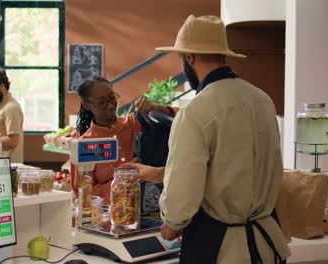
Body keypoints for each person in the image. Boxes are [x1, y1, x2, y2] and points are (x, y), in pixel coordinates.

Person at [121, 15, 290, 264]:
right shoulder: (262, 100)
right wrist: (159, 173)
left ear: (189, 57)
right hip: (267, 245)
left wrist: (172, 221)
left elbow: (185, 186)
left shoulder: (196, 111)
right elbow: (235, 167)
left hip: (221, 249)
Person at [70, 76, 177, 204]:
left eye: (112, 98)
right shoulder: (84, 144)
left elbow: (184, 118)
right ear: (86, 105)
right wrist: (122, 178)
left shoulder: (134, 123)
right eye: (101, 102)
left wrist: (157, 108)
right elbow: (83, 194)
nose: (110, 105)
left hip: (151, 208)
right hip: (112, 215)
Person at [0, 69, 24, 163]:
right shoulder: (0, 106)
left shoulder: (11, 108)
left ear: (2, 86)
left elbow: (13, 141)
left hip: (8, 165)